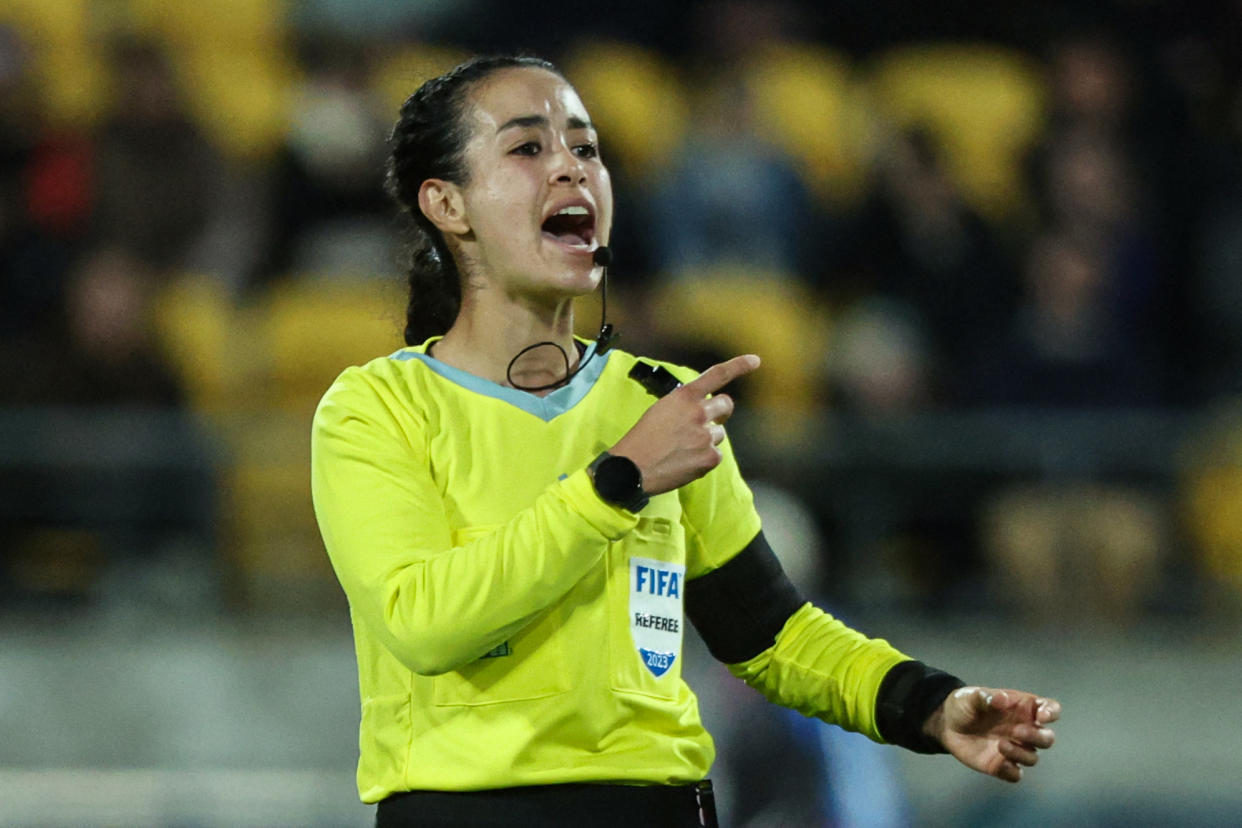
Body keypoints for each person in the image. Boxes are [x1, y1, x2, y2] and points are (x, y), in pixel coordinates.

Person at [310, 55, 1060, 828]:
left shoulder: (662, 399)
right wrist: (617, 481)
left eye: (587, 149)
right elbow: (425, 621)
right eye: (529, 148)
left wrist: (926, 705)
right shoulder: (376, 409)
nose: (571, 169)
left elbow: (769, 634)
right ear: (447, 203)